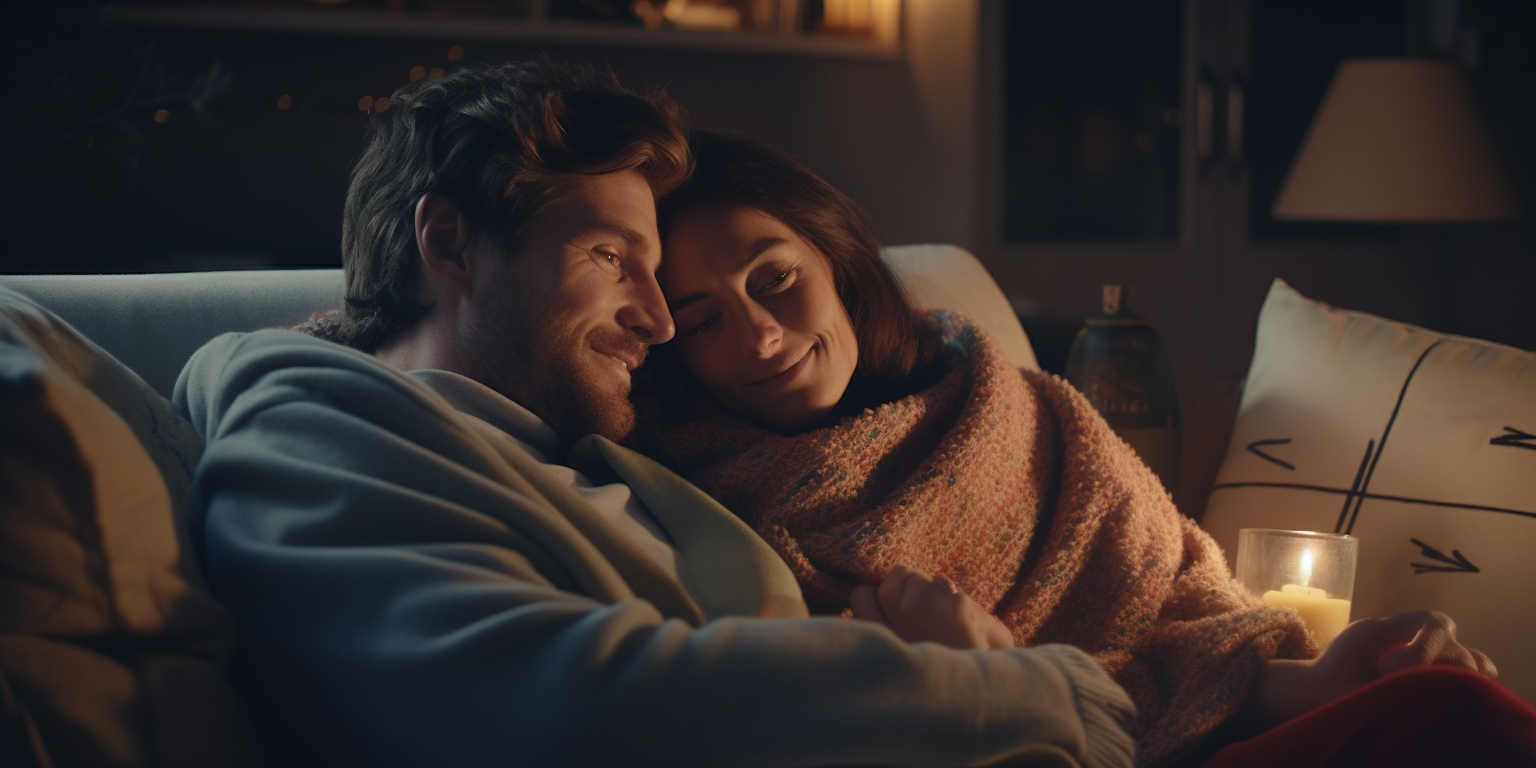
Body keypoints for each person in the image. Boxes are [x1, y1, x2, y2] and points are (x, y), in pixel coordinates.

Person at [176, 59, 1141, 767]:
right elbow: (559, 711)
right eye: (608, 259)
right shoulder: (314, 437)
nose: (654, 318)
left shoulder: (582, 443)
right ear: (450, 243)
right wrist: (1010, 692)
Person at [628, 130, 1536, 767]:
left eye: (776, 278)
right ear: (672, 348)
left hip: (1238, 725)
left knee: (1448, 702)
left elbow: (1186, 597)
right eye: (704, 320)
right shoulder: (712, 511)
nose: (759, 336)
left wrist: (1329, 676)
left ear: (834, 257)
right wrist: (989, 682)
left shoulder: (1020, 407)